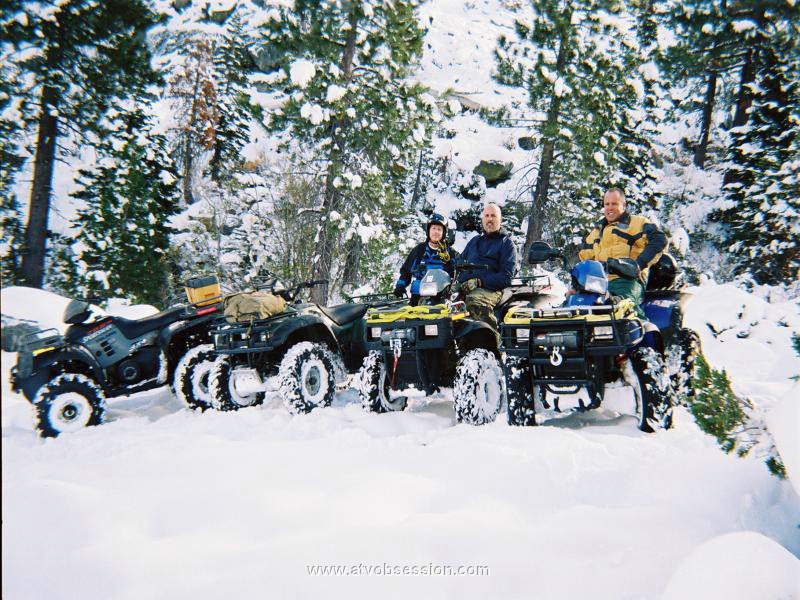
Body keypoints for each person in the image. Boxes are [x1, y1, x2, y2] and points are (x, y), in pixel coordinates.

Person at [578, 187, 668, 316]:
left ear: (624, 205)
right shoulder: (596, 232)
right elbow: (585, 259)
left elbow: (660, 240)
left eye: (614, 204)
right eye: (607, 204)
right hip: (597, 285)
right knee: (572, 306)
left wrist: (638, 265)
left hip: (626, 282)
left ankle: (644, 334)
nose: (610, 208)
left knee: (625, 310)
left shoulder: (637, 223)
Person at [456, 203, 517, 330]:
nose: (490, 219)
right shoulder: (474, 242)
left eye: (493, 216)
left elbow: (506, 277)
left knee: (474, 303)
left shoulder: (506, 244)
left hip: (491, 290)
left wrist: (479, 282)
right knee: (440, 307)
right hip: (465, 288)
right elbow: (458, 265)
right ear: (483, 219)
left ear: (499, 220)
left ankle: (490, 343)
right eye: (487, 215)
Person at [393, 213, 459, 305]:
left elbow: (458, 273)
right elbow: (406, 271)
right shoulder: (419, 250)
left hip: (440, 297)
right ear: (428, 231)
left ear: (444, 232)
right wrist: (400, 286)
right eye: (433, 228)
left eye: (439, 229)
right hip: (418, 296)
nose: (436, 232)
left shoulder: (450, 253)